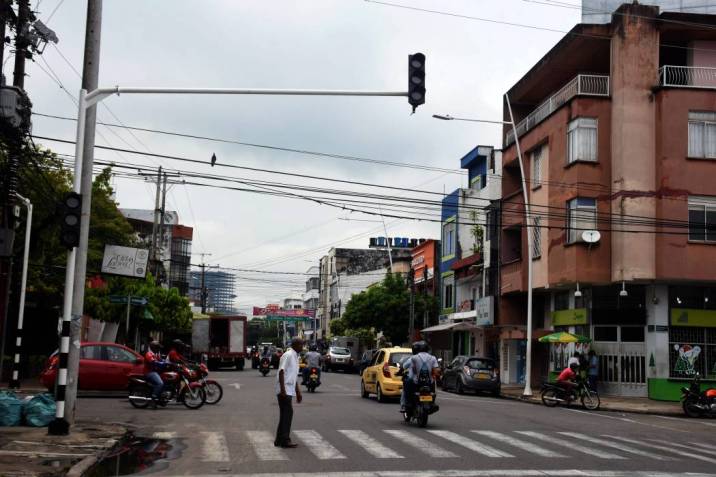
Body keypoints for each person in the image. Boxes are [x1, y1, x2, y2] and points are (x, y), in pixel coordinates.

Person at [274, 338, 303, 448]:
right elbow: (281, 371)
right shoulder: (289, 355)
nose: (302, 347)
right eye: (301, 344)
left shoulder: (295, 356)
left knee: (285, 414)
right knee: (288, 413)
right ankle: (285, 440)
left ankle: (278, 440)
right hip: (284, 389)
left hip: (288, 389)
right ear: (295, 345)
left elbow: (293, 376)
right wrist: (282, 389)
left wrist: (298, 392)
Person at [403, 341, 440, 411]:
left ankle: (408, 403)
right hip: (429, 382)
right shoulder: (433, 358)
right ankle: (432, 402)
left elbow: (413, 370)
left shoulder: (414, 358)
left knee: (407, 382)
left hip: (417, 382)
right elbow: (436, 371)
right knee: (434, 385)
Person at [144, 341, 165, 407]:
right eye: (157, 348)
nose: (158, 349)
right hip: (150, 372)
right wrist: (160, 363)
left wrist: (167, 363)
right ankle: (153, 399)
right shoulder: (149, 354)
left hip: (156, 372)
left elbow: (161, 360)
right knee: (160, 383)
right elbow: (153, 362)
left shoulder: (156, 354)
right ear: (154, 347)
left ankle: (160, 398)